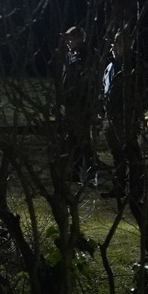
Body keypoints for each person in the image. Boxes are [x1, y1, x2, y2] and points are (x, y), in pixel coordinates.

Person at [100, 31, 148, 200]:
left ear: (126, 45)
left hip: (127, 117)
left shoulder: (137, 67)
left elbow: (147, 94)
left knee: (132, 154)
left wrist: (134, 111)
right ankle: (119, 187)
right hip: (110, 117)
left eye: (116, 44)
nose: (112, 48)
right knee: (117, 154)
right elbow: (105, 90)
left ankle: (136, 191)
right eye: (112, 45)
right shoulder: (111, 66)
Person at [54, 26, 97, 183]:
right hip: (71, 105)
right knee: (72, 140)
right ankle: (75, 172)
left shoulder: (85, 56)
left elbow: (84, 83)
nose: (67, 42)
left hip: (81, 106)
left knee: (83, 140)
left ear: (79, 39)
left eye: (70, 39)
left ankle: (91, 175)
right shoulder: (71, 55)